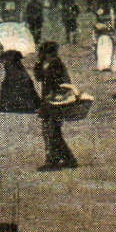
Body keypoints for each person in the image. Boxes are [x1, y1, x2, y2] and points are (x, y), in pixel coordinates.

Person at [33, 41, 78, 170]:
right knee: (52, 131)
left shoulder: (56, 65)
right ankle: (68, 159)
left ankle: (52, 161)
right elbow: (39, 78)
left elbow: (63, 84)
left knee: (51, 131)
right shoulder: (43, 64)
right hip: (47, 101)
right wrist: (38, 66)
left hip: (57, 102)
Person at [0, 49, 40, 114]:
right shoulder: (18, 66)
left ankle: (13, 105)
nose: (4, 63)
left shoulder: (12, 66)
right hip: (20, 84)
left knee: (7, 87)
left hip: (19, 85)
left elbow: (9, 79)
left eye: (5, 60)